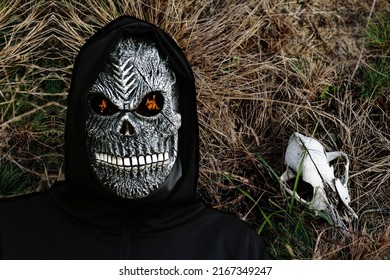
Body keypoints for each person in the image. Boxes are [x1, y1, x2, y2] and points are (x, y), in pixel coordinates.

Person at [0, 16, 270, 259]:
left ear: (180, 116)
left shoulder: (234, 249)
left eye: (151, 105)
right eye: (103, 107)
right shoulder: (11, 231)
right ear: (80, 121)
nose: (127, 128)